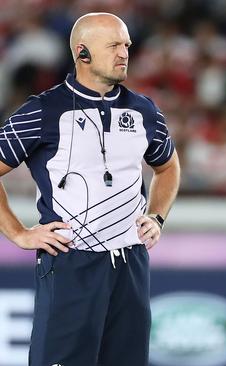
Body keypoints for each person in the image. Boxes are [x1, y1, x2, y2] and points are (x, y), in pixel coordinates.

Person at [0, 12, 180, 366]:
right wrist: (18, 233)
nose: (124, 53)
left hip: (131, 263)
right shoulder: (42, 111)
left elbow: (169, 166)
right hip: (70, 262)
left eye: (126, 45)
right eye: (113, 45)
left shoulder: (144, 111)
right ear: (82, 53)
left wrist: (157, 216)